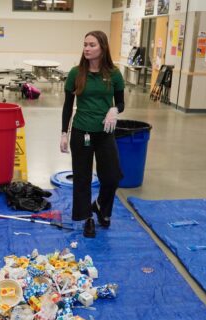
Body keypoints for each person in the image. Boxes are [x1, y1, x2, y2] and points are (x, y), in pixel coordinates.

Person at [60, 30, 125, 238]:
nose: (87, 48)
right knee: (82, 178)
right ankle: (87, 218)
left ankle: (101, 207)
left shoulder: (114, 73)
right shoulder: (75, 73)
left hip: (105, 133)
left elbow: (121, 102)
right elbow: (68, 106)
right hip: (81, 132)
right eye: (85, 44)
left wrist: (115, 110)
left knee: (112, 176)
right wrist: (64, 133)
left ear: (102, 48)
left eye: (92, 45)